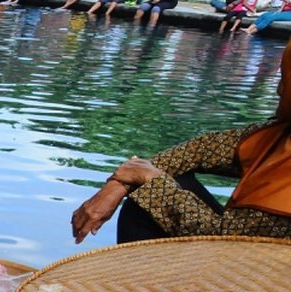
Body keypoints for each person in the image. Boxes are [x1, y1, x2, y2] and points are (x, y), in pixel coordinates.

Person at [72, 44, 290, 243]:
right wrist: (119, 183)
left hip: (259, 264)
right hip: (232, 248)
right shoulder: (281, 132)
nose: (279, 90)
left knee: (152, 194)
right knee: (163, 185)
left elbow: (228, 240)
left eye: (285, 81)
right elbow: (201, 149)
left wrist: (149, 179)